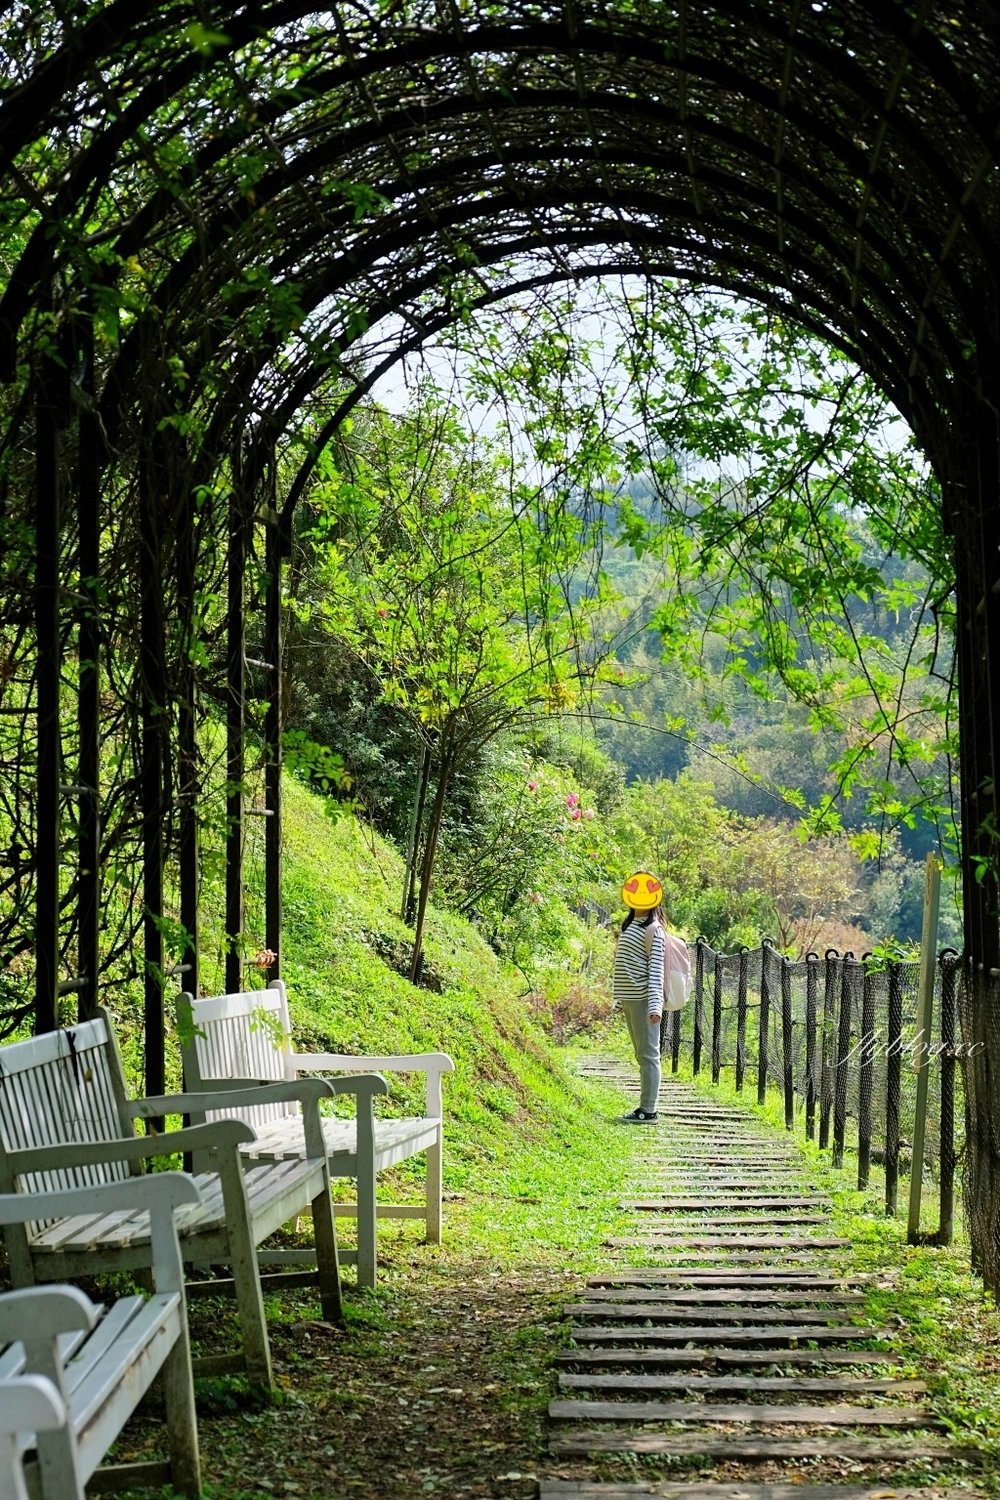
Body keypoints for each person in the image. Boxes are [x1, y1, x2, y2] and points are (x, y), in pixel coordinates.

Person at [613, 871, 666, 1122]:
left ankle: (648, 1110)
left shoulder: (654, 930)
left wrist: (655, 1006)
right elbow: (625, 965)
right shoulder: (631, 925)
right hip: (630, 999)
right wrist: (618, 998)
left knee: (648, 1054)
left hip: (645, 1000)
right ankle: (645, 1107)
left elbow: (656, 970)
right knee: (641, 1054)